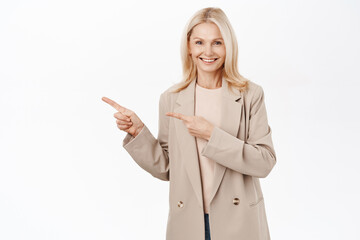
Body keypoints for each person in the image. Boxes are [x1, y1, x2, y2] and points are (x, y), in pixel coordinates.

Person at [102, 7, 276, 240]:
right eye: (199, 42)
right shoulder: (172, 98)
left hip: (238, 222)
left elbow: (264, 162)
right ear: (189, 47)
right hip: (189, 223)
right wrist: (138, 132)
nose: (208, 51)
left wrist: (212, 135)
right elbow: (167, 168)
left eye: (217, 42)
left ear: (228, 46)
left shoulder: (249, 95)